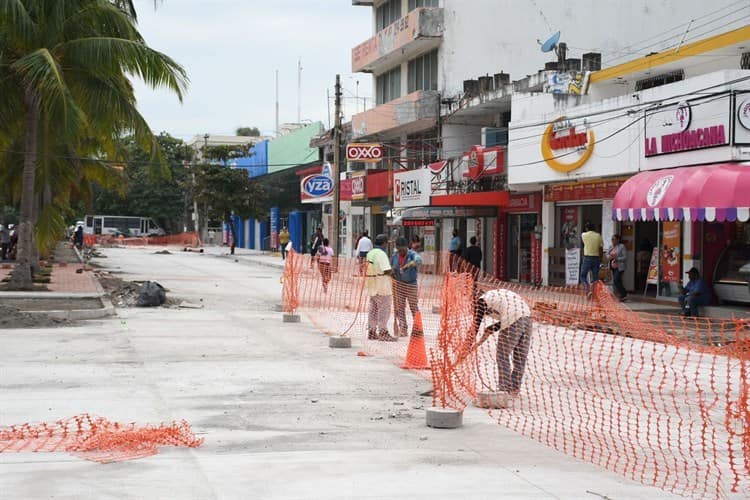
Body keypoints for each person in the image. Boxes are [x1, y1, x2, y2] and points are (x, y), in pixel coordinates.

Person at [472, 288, 532, 398]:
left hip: (514, 318)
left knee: (502, 355)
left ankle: (504, 389)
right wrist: (493, 328)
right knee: (519, 357)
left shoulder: (481, 301)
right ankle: (514, 388)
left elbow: (474, 327)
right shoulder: (494, 296)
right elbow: (512, 314)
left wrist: (466, 346)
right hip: (527, 317)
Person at [365, 234, 396, 342]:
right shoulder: (381, 254)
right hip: (382, 286)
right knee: (384, 310)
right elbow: (386, 269)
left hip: (372, 285)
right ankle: (383, 332)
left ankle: (372, 331)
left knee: (373, 309)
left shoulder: (371, 253)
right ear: (384, 243)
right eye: (387, 243)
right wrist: (394, 272)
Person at [391, 237, 423, 337]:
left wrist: (408, 265)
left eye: (402, 250)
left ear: (406, 247)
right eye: (399, 250)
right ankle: (403, 328)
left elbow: (419, 261)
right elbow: (392, 267)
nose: (401, 252)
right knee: (400, 307)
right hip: (399, 285)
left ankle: (418, 328)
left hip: (411, 284)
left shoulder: (412, 254)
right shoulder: (395, 256)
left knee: (413, 306)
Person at [580, 221, 603, 296]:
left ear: (586, 228)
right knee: (595, 277)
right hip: (596, 258)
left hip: (587, 258)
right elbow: (600, 249)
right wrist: (601, 259)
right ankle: (595, 293)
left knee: (583, 275)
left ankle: (587, 290)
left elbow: (584, 243)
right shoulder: (598, 235)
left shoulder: (583, 235)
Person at [607, 234, 627, 301]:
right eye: (612, 239)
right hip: (612, 266)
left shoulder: (622, 246)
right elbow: (607, 254)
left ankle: (623, 294)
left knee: (616, 279)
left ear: (618, 240)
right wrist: (609, 257)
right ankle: (622, 295)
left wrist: (617, 258)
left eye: (614, 239)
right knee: (618, 280)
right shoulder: (610, 246)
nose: (613, 241)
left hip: (619, 266)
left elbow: (624, 257)